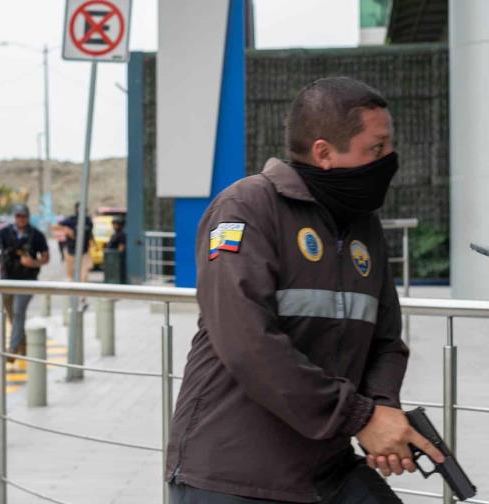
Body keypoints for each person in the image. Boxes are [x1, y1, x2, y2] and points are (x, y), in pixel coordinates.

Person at [165, 77, 445, 503]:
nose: (390, 160)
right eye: (376, 149)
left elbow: (385, 340)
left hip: (324, 470)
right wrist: (362, 417)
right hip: (233, 474)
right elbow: (247, 343)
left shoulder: (362, 226)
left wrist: (383, 409)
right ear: (324, 153)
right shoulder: (245, 209)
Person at [0, 204, 50, 359]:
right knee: (12, 315)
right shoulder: (4, 233)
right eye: (18, 216)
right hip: (7, 279)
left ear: (28, 217)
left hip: (27, 280)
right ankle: (23, 344)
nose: (20, 219)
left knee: (18, 311)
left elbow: (46, 257)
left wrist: (33, 263)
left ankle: (13, 348)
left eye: (23, 216)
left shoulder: (36, 235)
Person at [54, 202, 94, 281]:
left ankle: (82, 292)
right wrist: (66, 230)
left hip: (84, 252)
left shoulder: (88, 220)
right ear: (76, 209)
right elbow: (55, 226)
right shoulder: (71, 219)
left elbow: (90, 234)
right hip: (71, 252)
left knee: (84, 277)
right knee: (71, 277)